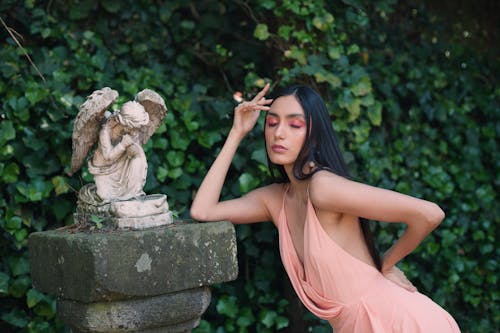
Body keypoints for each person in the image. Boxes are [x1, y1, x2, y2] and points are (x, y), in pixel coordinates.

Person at [190, 83, 461, 332]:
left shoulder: (323, 187)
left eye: (295, 125)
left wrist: (386, 265)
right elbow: (203, 210)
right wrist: (237, 132)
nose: (279, 133)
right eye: (272, 123)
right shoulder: (275, 200)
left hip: (399, 322)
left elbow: (429, 213)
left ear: (315, 135)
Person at [86, 101, 149, 202]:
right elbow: (108, 157)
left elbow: (132, 150)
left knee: (138, 156)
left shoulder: (131, 131)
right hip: (104, 168)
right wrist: (123, 144)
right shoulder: (105, 131)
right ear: (126, 123)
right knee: (104, 197)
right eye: (134, 127)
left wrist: (132, 150)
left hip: (121, 165)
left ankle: (132, 192)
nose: (136, 130)